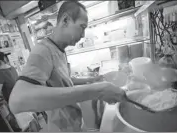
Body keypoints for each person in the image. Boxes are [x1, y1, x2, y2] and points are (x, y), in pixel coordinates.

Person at [9, 1, 126, 132]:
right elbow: (16, 101)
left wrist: (90, 80)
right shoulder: (42, 51)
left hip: (73, 125)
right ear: (65, 20)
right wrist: (98, 90)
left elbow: (63, 82)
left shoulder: (59, 50)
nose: (83, 35)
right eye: (82, 27)